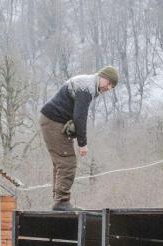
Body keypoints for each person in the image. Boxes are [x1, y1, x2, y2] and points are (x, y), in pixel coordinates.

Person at [39, 66, 119, 211]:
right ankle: (62, 202)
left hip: (51, 120)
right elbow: (79, 117)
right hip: (53, 121)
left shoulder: (88, 84)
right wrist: (82, 143)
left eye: (111, 87)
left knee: (60, 162)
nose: (109, 88)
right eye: (109, 83)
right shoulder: (86, 88)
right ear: (103, 77)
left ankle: (59, 201)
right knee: (67, 161)